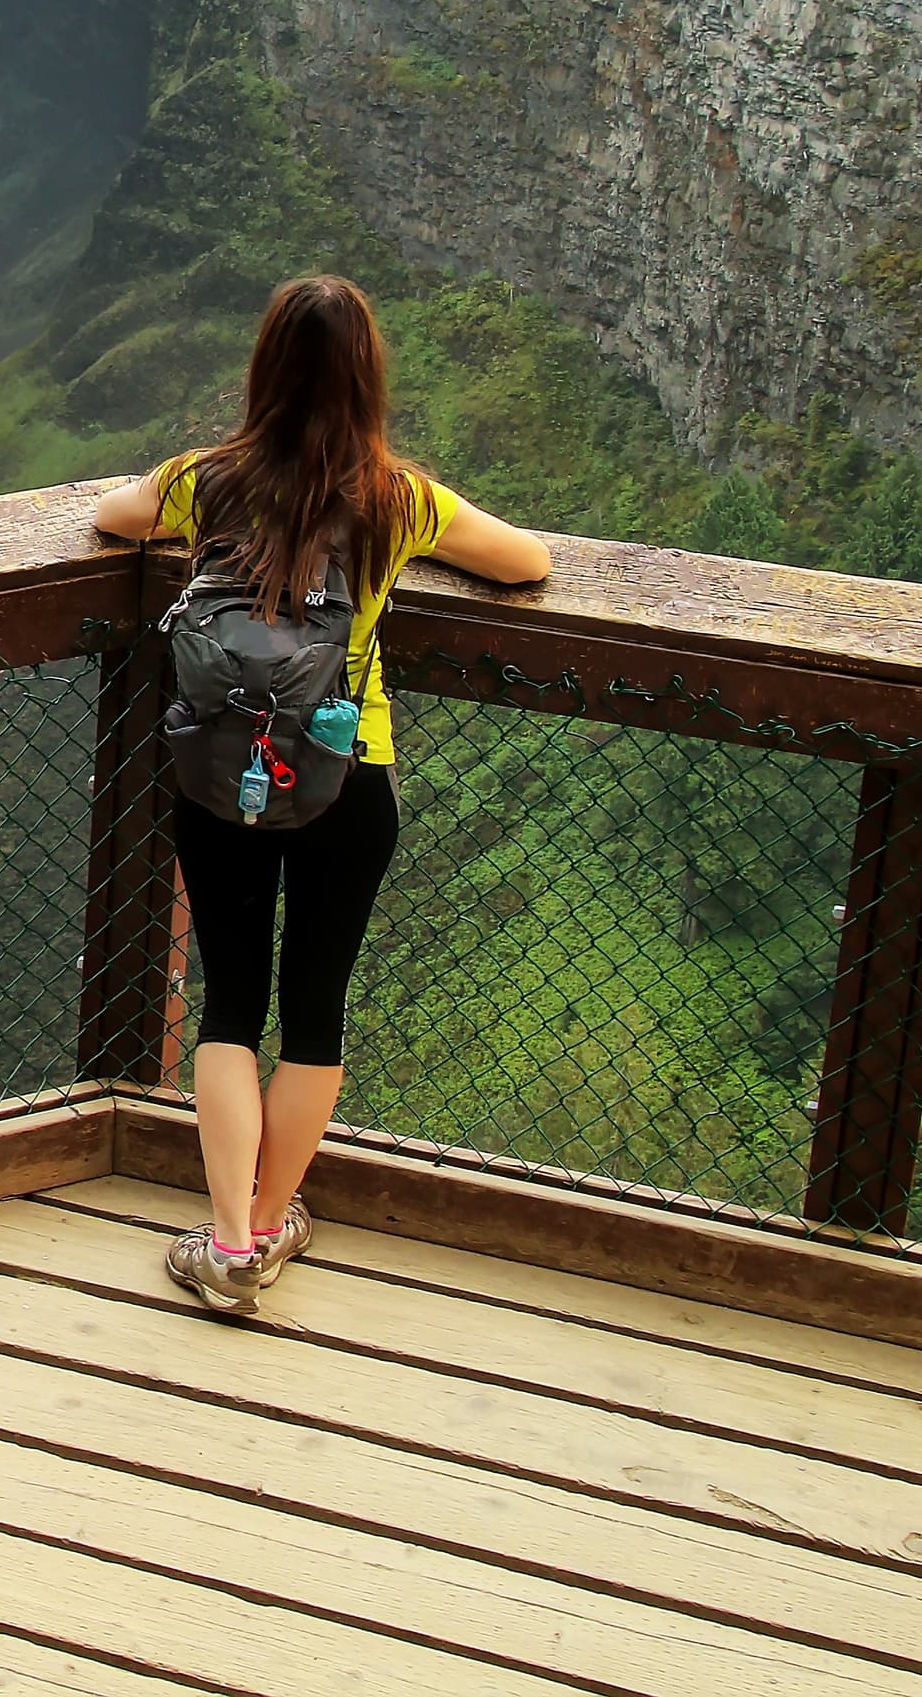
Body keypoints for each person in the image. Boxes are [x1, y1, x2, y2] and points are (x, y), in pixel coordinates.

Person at [91, 276, 551, 1315]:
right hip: (350, 778)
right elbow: (527, 565)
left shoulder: (205, 483)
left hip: (219, 775)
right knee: (314, 1017)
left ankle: (225, 1243)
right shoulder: (399, 501)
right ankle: (267, 1223)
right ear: (367, 380)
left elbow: (108, 518)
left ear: (263, 369)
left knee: (227, 1006)